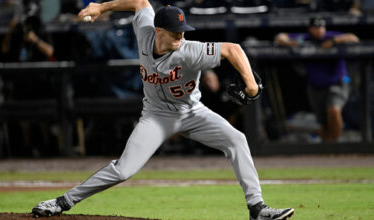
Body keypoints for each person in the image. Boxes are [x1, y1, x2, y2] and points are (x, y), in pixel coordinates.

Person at [31, 1, 295, 219]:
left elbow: (233, 49)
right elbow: (139, 2)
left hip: (193, 113)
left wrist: (250, 83)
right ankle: (63, 202)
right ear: (158, 30)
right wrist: (102, 7)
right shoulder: (145, 30)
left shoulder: (190, 50)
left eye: (182, 29)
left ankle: (257, 208)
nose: (181, 35)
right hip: (156, 116)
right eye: (175, 31)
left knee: (237, 140)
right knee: (124, 170)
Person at [274, 17, 359, 142]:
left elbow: (354, 38)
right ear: (310, 29)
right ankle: (327, 149)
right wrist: (290, 43)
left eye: (321, 27)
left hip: (337, 83)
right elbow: (279, 37)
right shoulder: (305, 38)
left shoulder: (331, 36)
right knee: (323, 122)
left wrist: (334, 41)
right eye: (316, 27)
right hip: (315, 87)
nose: (319, 30)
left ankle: (334, 146)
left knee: (334, 111)